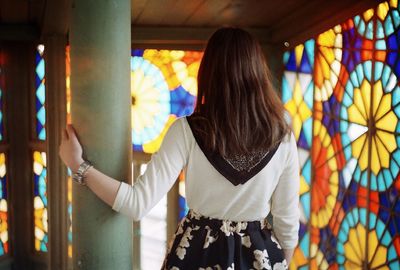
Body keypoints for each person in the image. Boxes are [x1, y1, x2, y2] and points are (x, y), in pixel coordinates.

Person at [59, 27, 300, 270]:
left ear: (208, 72)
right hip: (260, 258)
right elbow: (287, 226)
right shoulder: (283, 136)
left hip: (195, 255)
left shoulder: (186, 131)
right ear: (258, 73)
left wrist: (79, 166)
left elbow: (137, 203)